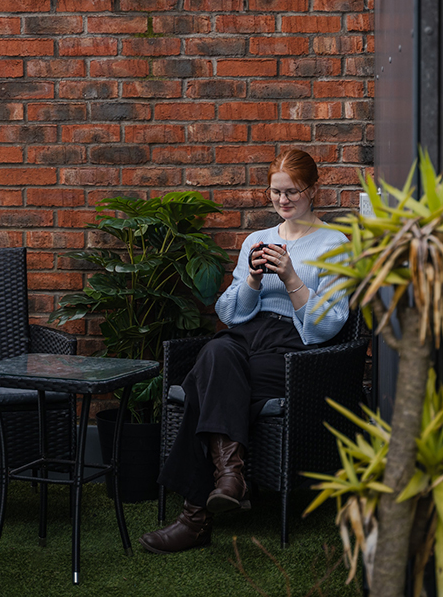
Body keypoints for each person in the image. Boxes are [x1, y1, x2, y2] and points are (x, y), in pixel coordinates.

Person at [139, 148, 351, 555]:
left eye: (292, 192)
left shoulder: (335, 244)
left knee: (205, 382)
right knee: (216, 352)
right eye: (276, 192)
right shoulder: (257, 240)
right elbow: (229, 315)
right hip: (248, 336)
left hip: (295, 347)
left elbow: (329, 325)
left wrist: (291, 278)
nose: (283, 200)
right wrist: (252, 280)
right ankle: (230, 479)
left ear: (312, 190)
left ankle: (197, 517)